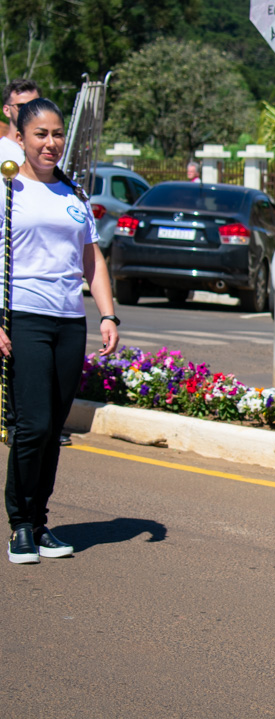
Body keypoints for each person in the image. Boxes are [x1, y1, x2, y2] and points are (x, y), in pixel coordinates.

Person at [2, 98, 120, 564]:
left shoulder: (73, 195)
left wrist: (108, 315)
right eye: (40, 135)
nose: (49, 143)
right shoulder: (8, 188)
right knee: (31, 425)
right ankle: (19, 526)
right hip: (22, 316)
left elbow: (92, 259)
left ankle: (40, 521)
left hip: (69, 321)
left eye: (56, 135)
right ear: (22, 138)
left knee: (53, 428)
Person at [0, 79, 40, 165]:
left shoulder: (52, 152)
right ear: (7, 110)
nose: (29, 110)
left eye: (34, 105)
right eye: (21, 106)